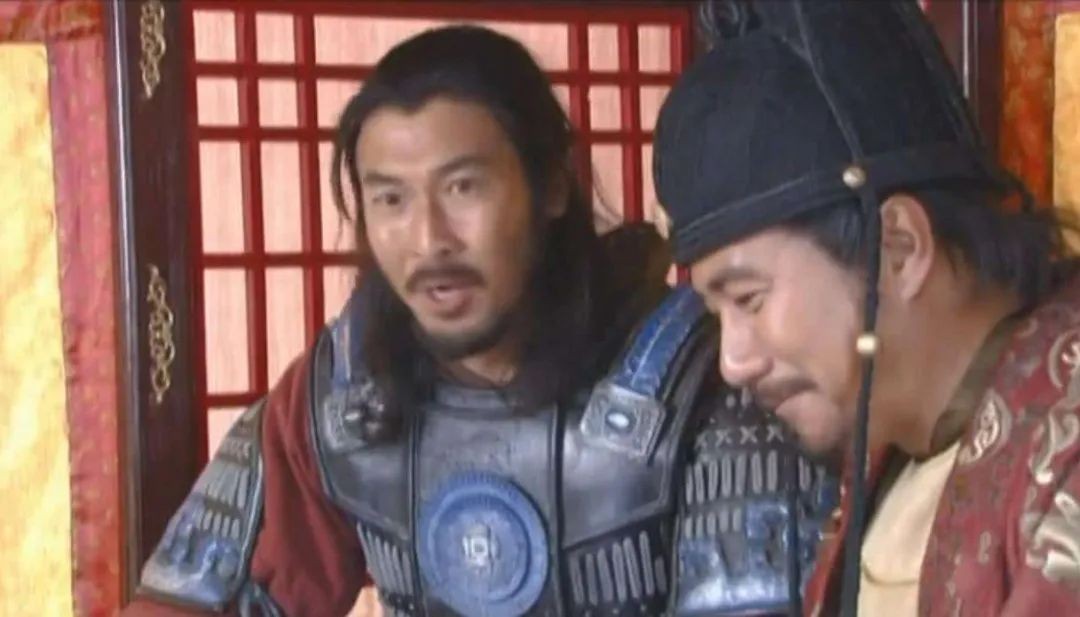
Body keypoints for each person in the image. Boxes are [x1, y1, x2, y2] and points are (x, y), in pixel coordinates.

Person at [123, 25, 833, 617]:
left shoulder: (707, 383)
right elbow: (193, 601)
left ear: (552, 184)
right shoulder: (341, 394)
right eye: (391, 199)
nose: (429, 240)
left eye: (464, 187)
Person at [654, 1, 1080, 616]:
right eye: (718, 315)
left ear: (899, 249)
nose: (733, 362)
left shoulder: (1064, 459)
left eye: (749, 299)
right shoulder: (886, 450)